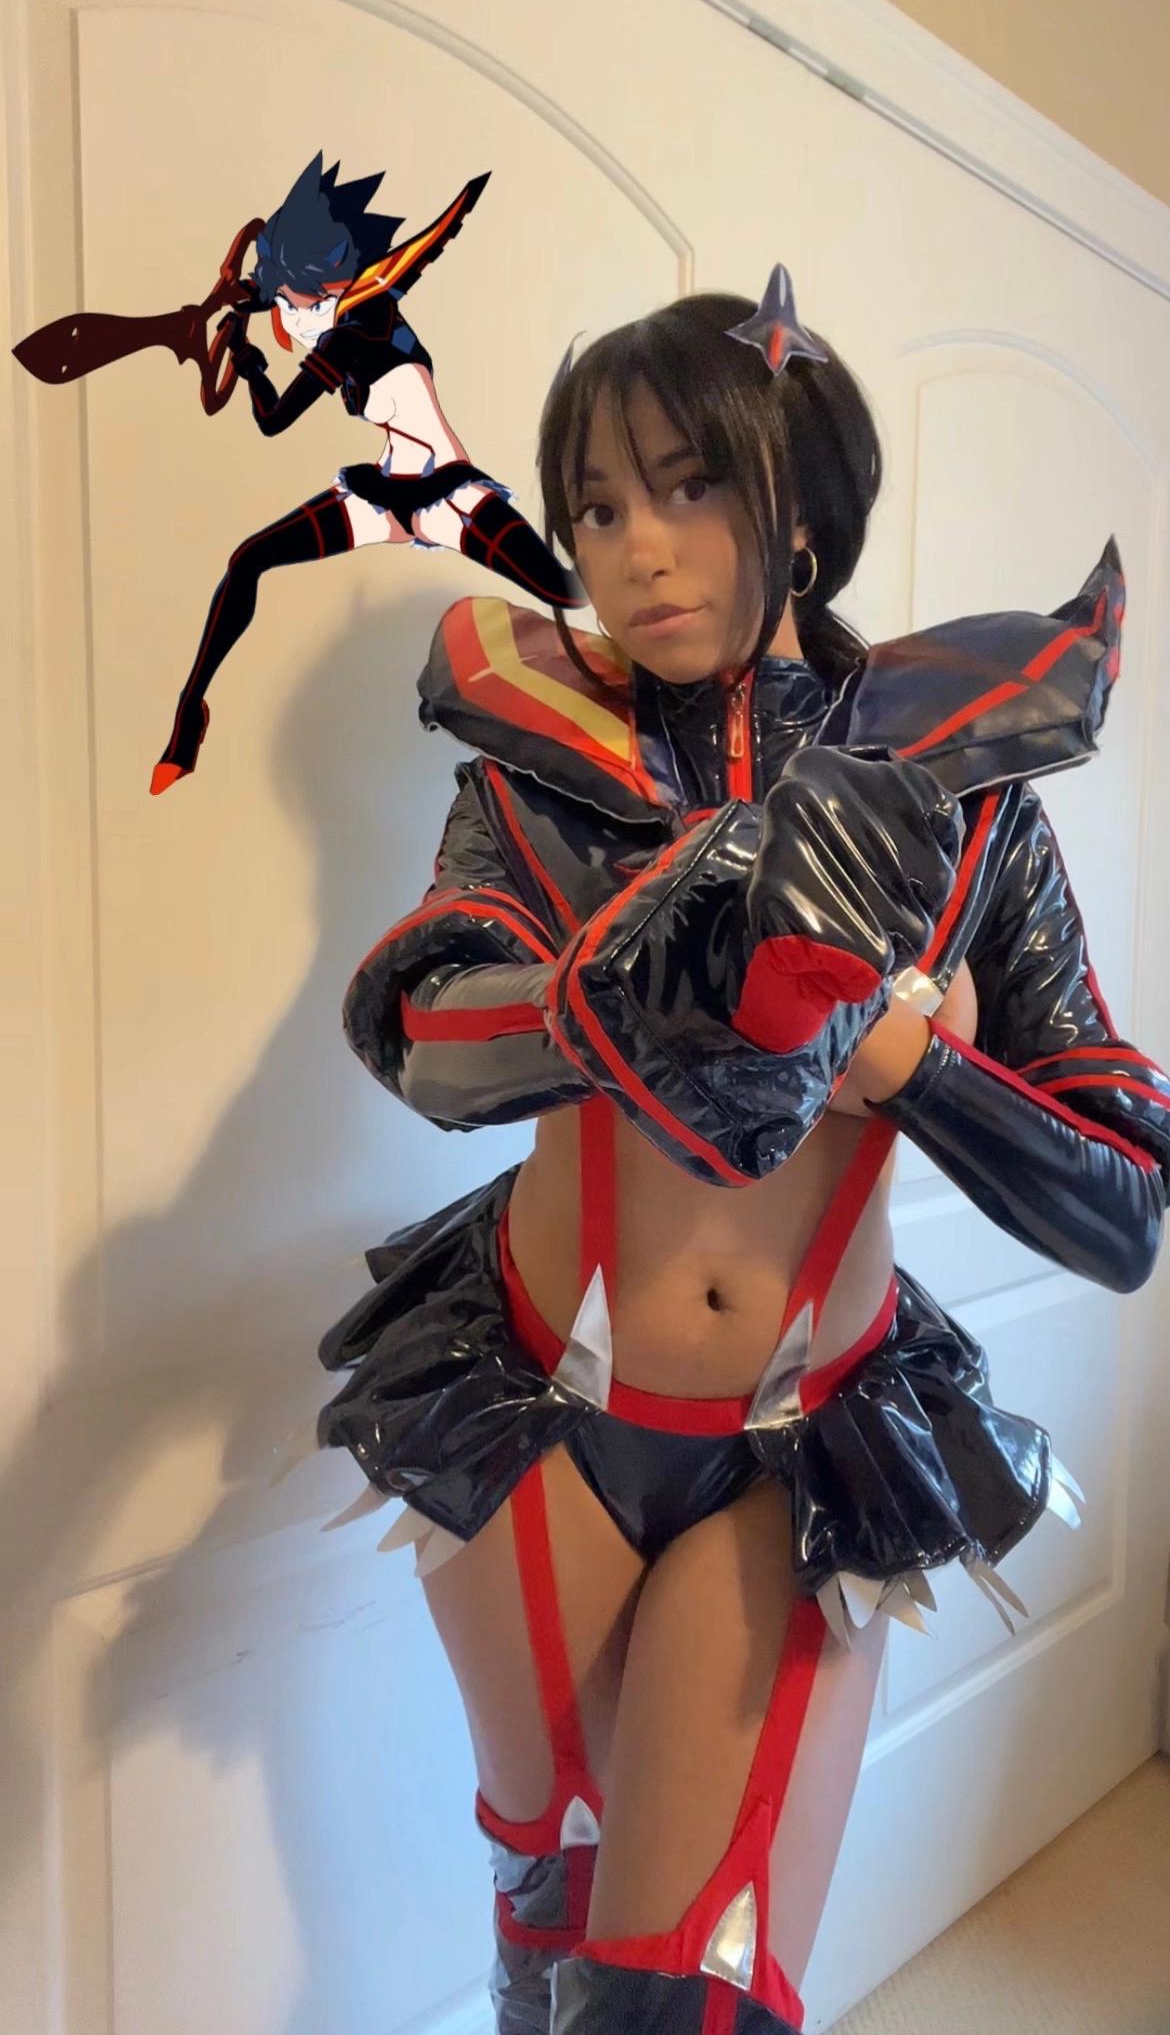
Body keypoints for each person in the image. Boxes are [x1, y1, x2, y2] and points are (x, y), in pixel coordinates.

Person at [299, 271, 1170, 2033]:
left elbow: (1125, 1195)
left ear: (800, 500)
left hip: (793, 1447)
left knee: (687, 1998)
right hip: (536, 1408)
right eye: (597, 507)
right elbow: (421, 1023)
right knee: (545, 1906)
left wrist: (897, 1058)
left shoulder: (967, 800)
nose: (638, 549)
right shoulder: (538, 769)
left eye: (689, 485)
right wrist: (641, 992)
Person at [150, 153, 583, 796]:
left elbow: (273, 419)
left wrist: (248, 362)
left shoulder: (358, 329)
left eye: (288, 291)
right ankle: (189, 719)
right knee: (248, 561)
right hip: (379, 494)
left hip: (446, 495)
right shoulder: (327, 313)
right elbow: (271, 310)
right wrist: (244, 324)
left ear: (322, 277)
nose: (285, 308)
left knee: (570, 591)